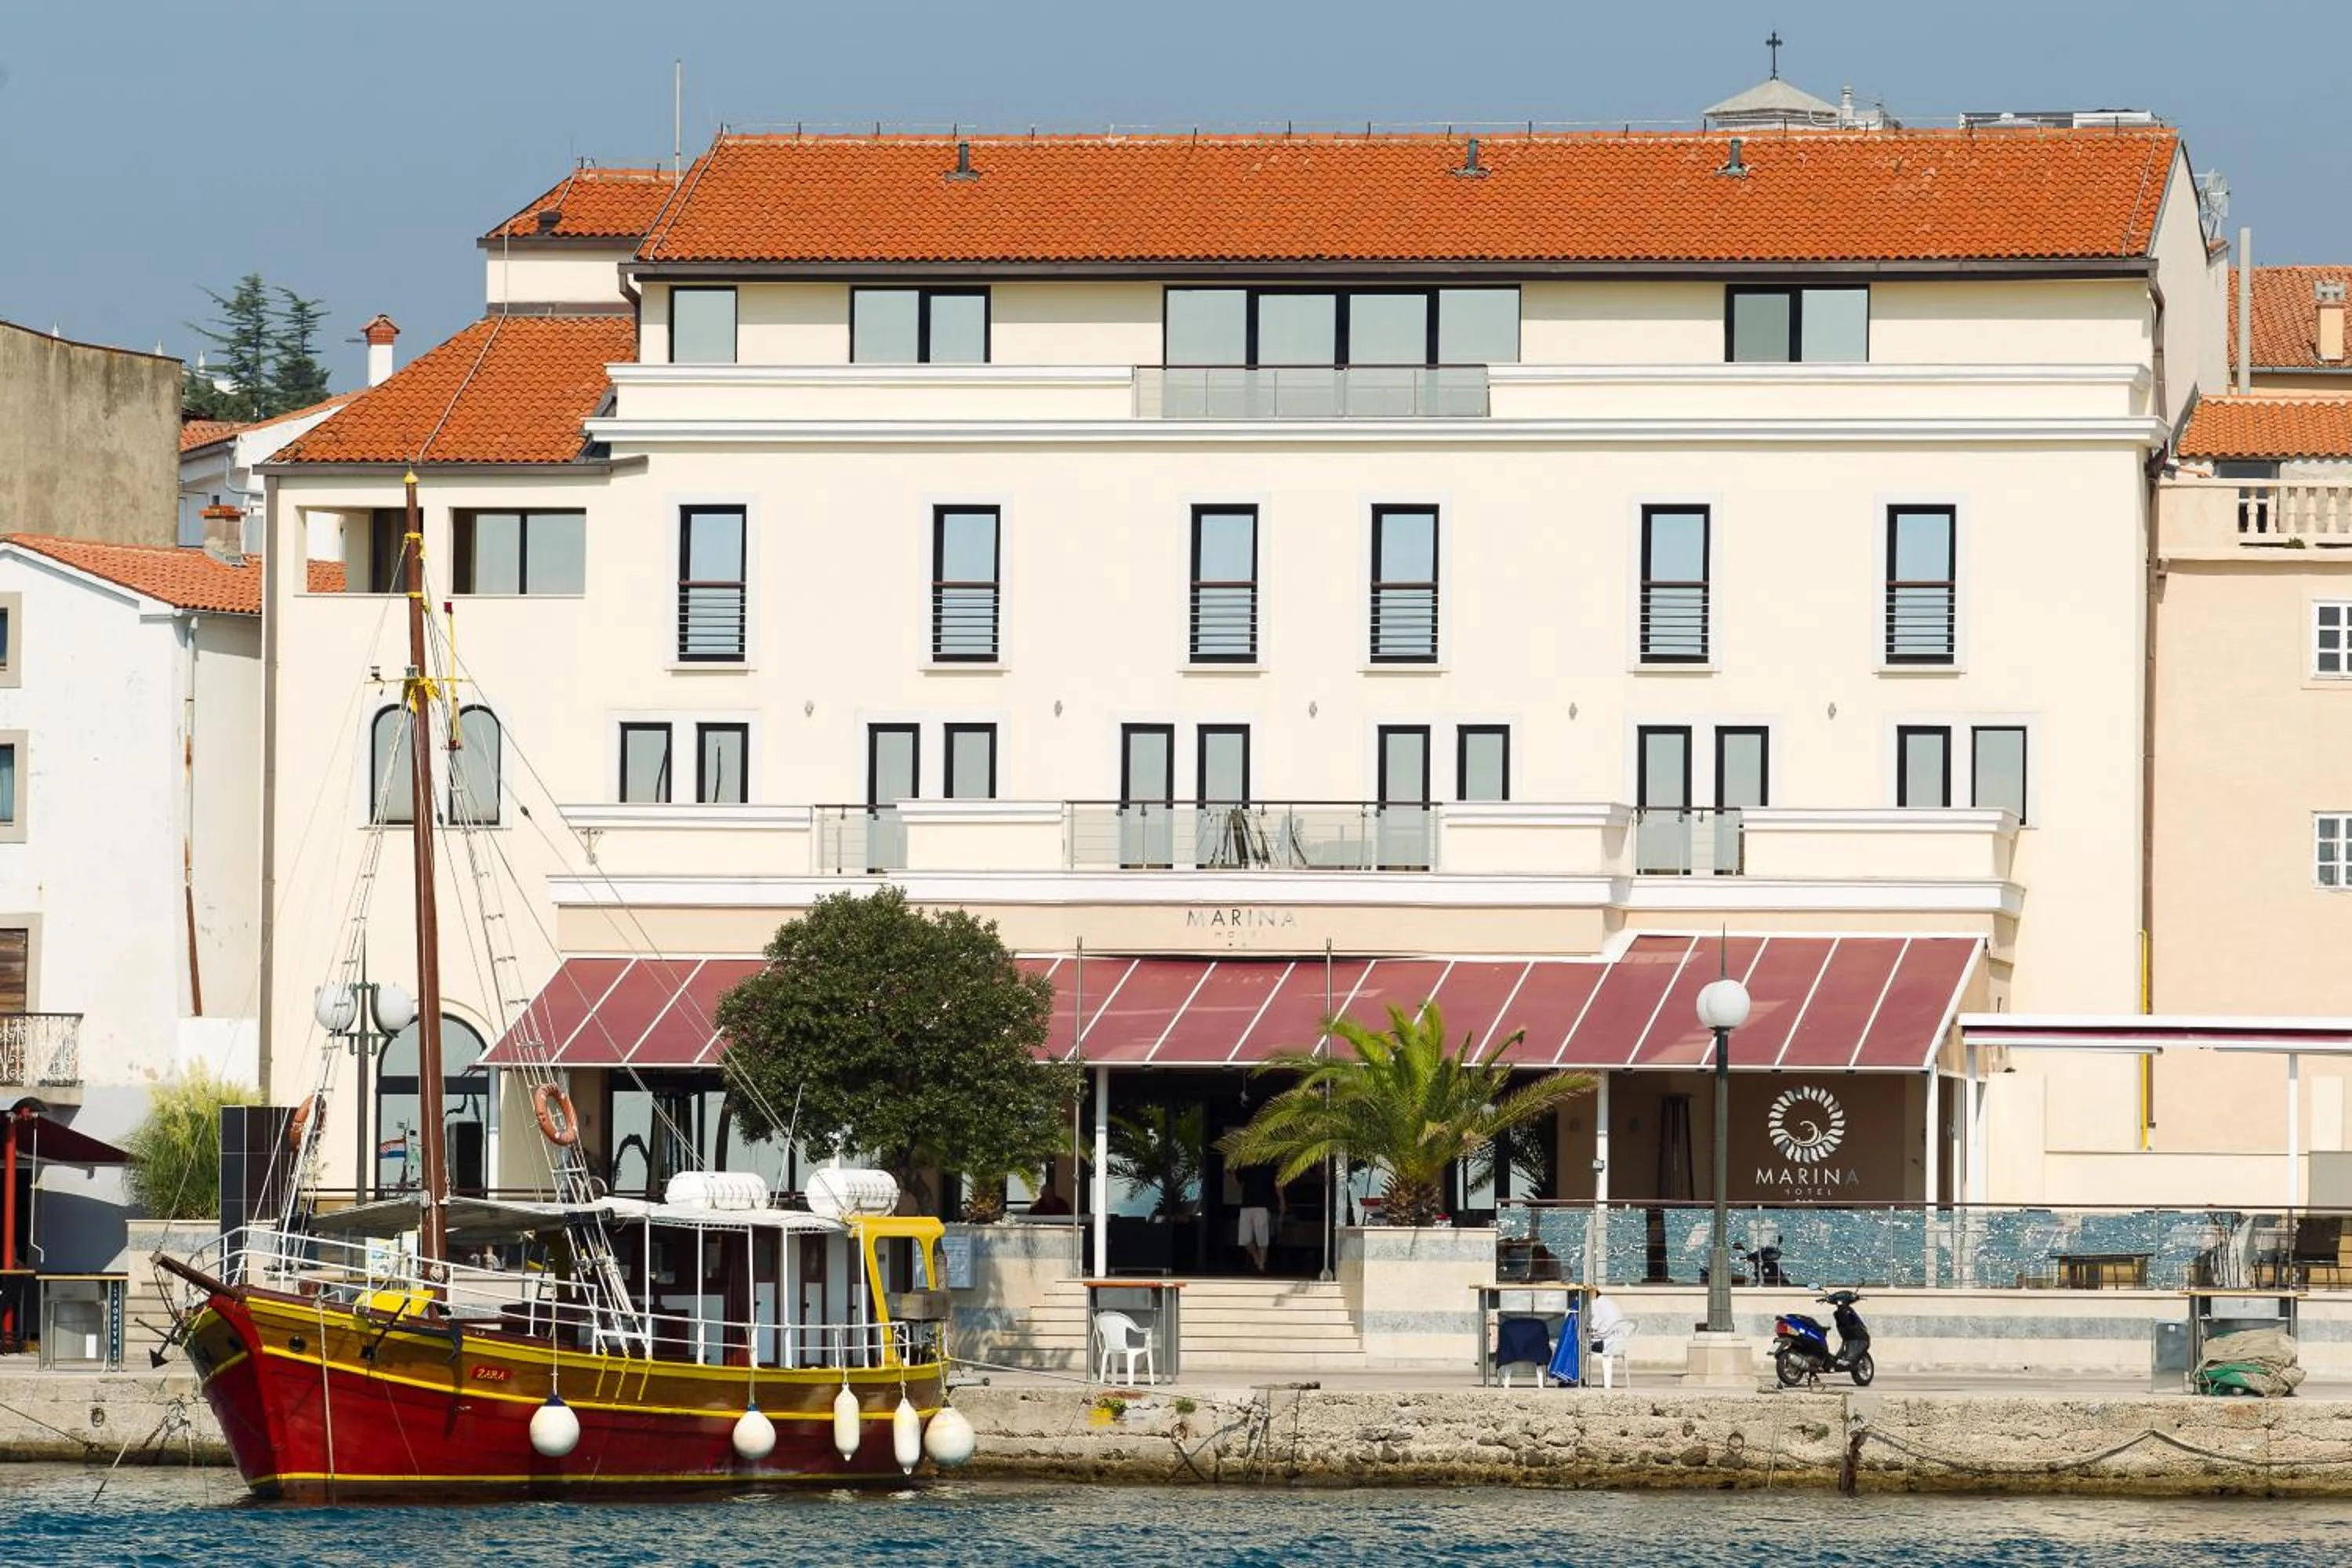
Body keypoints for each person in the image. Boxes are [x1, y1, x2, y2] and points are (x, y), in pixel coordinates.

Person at [1237, 1163, 1286, 1273]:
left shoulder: (1269, 1166)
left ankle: (1262, 1265)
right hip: (1246, 1205)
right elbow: (1238, 1183)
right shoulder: (1245, 1165)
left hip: (1263, 1205)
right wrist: (1231, 1173)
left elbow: (1277, 1183)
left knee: (1262, 1238)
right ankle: (1257, 1258)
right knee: (1245, 1240)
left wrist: (1282, 1200)